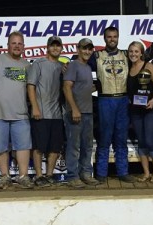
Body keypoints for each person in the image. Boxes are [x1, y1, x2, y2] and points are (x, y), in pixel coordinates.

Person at [87, 26, 153, 183]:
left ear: (117, 38)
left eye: (115, 36)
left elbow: (148, 54)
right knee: (104, 138)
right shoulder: (96, 56)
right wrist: (65, 65)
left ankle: (123, 172)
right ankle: (101, 174)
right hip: (105, 100)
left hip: (123, 101)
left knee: (121, 138)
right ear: (104, 39)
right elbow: (81, 62)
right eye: (109, 37)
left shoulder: (126, 55)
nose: (112, 39)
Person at [0, 31, 33, 189]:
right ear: (8, 45)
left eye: (19, 43)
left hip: (21, 114)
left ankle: (23, 176)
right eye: (14, 43)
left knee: (23, 146)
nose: (17, 46)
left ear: (23, 46)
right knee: (0, 146)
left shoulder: (27, 66)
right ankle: (5, 176)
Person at [27, 36, 65, 187]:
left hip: (57, 114)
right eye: (53, 46)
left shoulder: (62, 67)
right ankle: (38, 175)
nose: (55, 48)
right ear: (47, 47)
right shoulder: (38, 64)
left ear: (61, 48)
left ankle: (49, 175)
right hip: (41, 113)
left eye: (58, 46)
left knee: (55, 147)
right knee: (38, 146)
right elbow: (30, 86)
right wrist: (35, 107)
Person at [63, 38, 99, 188]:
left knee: (87, 146)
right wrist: (74, 109)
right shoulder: (73, 65)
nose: (87, 51)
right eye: (84, 48)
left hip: (88, 112)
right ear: (78, 49)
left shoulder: (87, 67)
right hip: (75, 113)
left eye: (90, 49)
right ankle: (72, 176)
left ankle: (85, 173)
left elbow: (83, 88)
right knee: (74, 146)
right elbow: (66, 87)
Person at [127, 41, 153, 183]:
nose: (133, 54)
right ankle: (146, 173)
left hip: (152, 110)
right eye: (131, 51)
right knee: (141, 142)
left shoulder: (149, 66)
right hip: (136, 111)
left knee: (149, 140)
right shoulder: (128, 68)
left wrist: (152, 100)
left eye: (136, 51)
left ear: (141, 53)